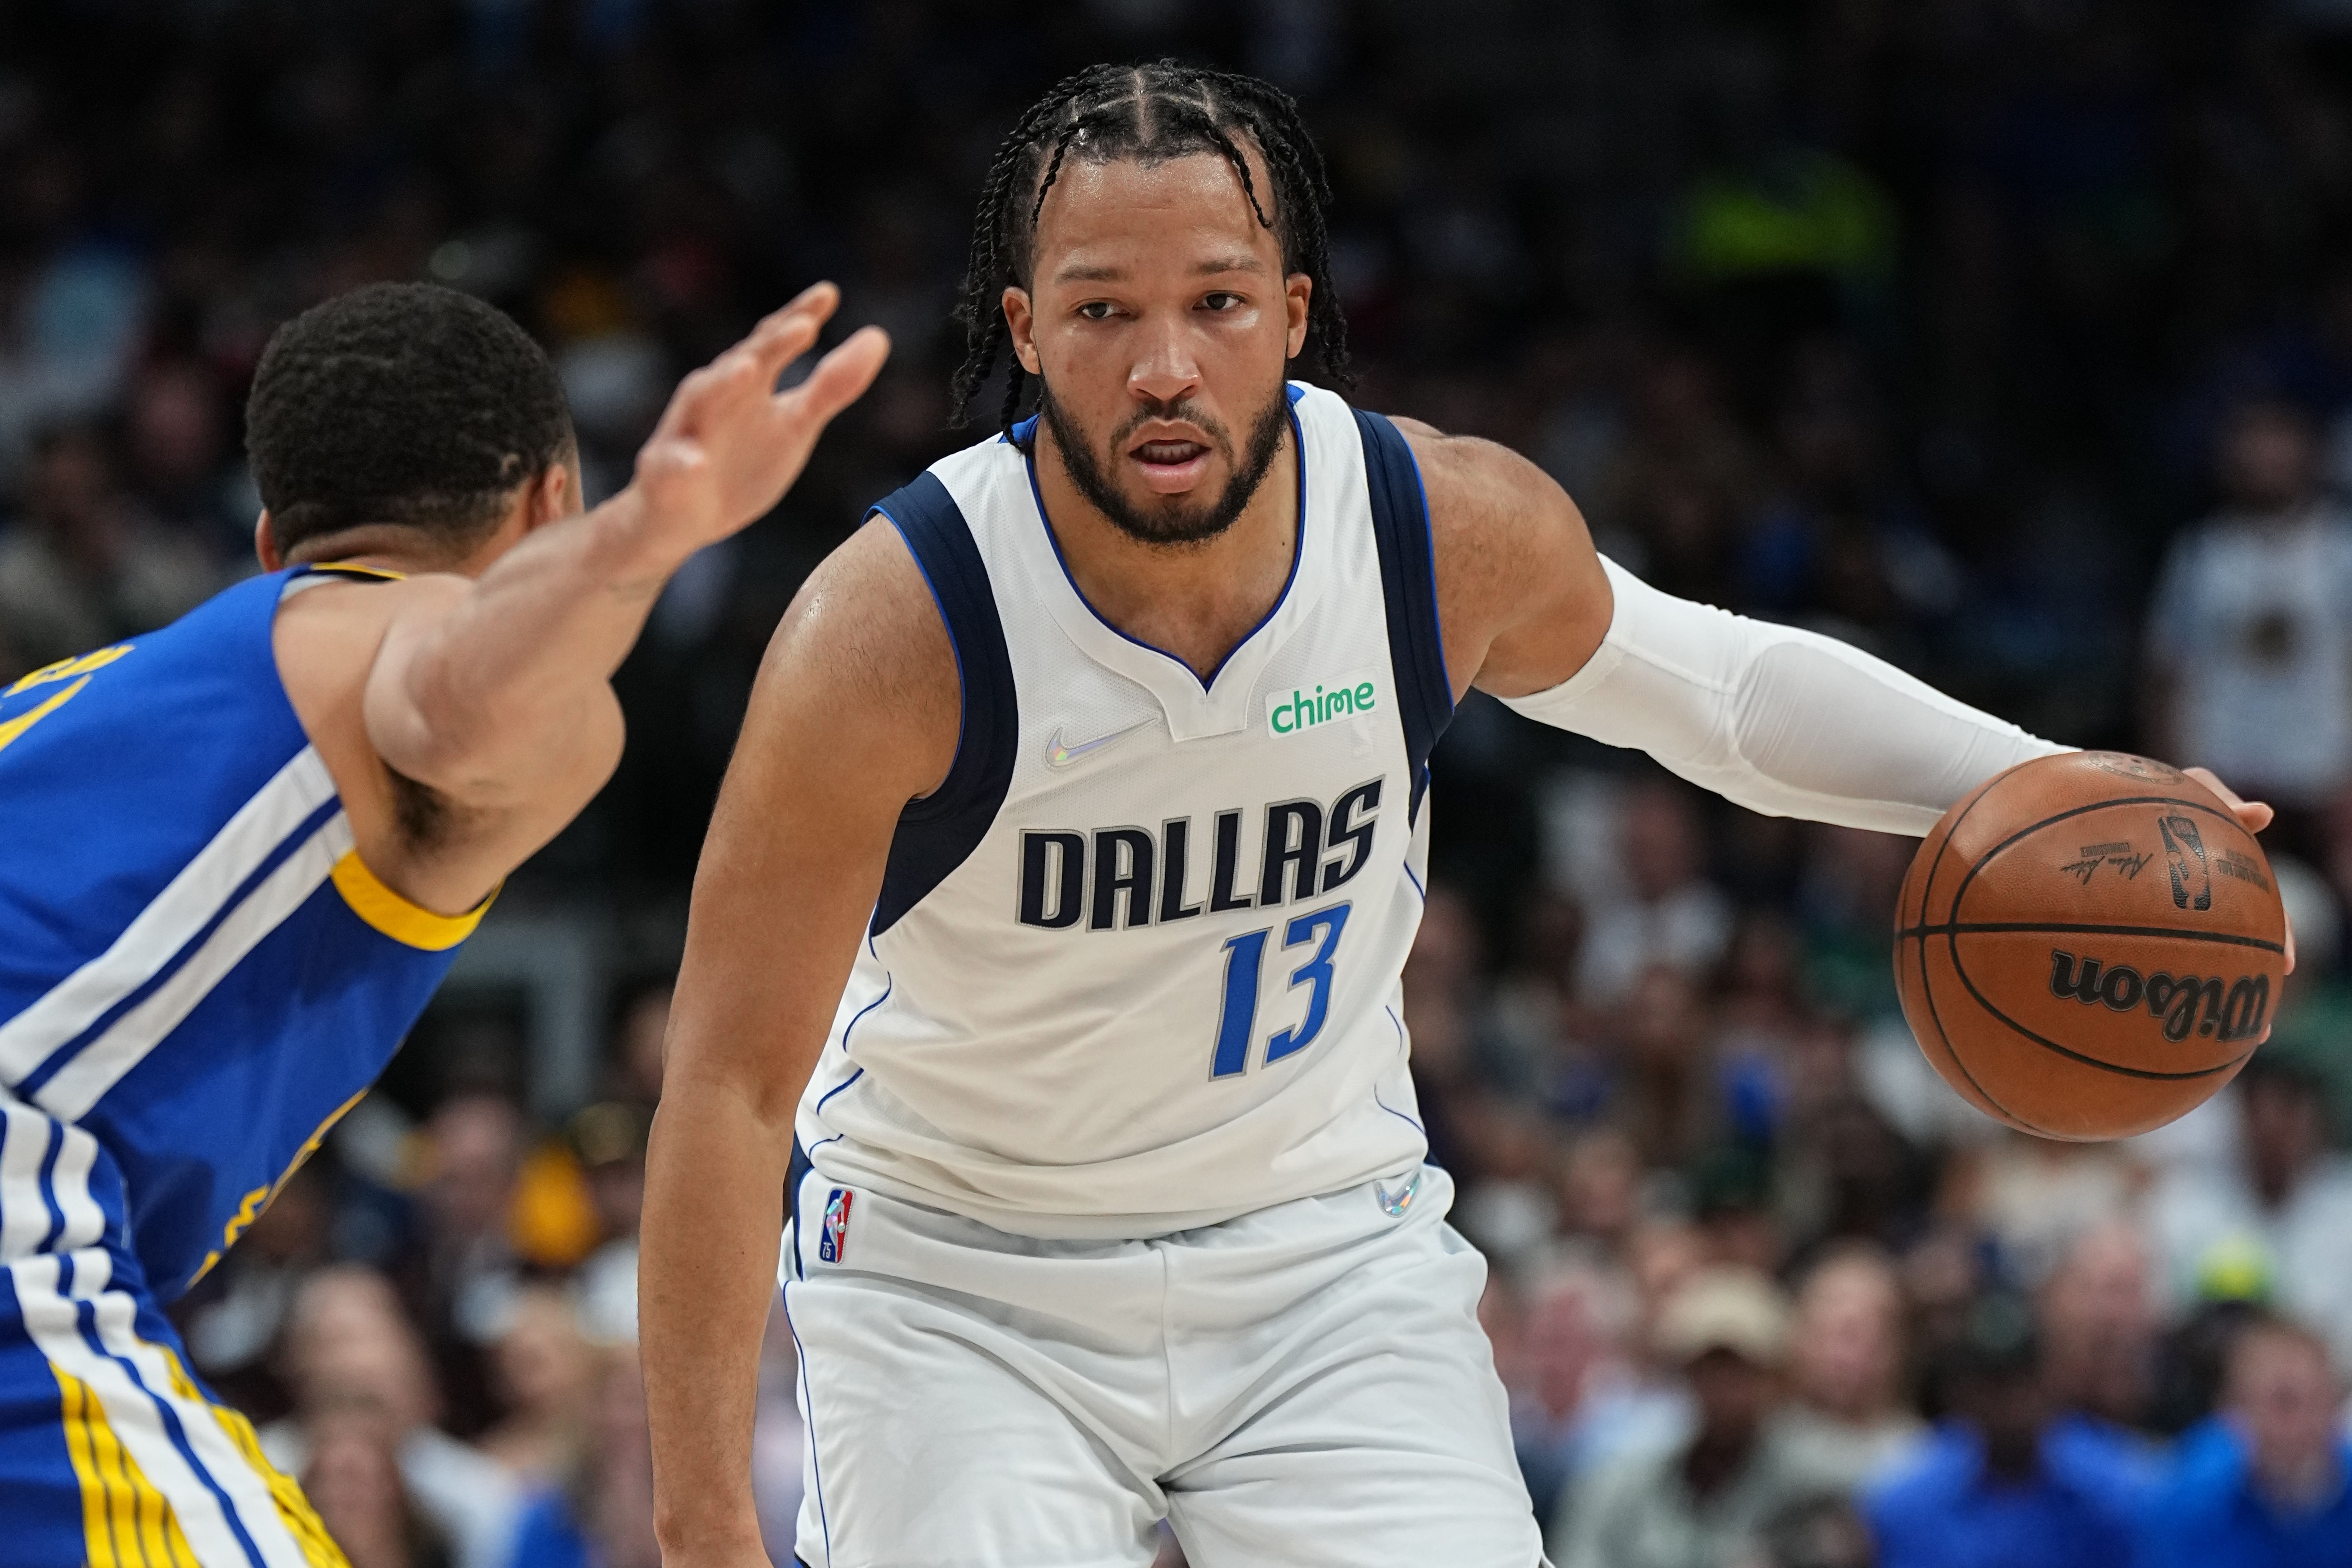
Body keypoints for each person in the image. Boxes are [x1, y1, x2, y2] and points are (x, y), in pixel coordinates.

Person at [636, 60, 2273, 1568]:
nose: (1163, 363)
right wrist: (703, 1511)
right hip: (957, 1278)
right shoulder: (897, 628)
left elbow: (1721, 692)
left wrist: (2056, 781)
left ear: (1290, 315)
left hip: (1320, 1259)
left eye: (1214, 302)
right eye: (1101, 309)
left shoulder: (1434, 527)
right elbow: (724, 1084)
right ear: (1024, 329)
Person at [0, 278, 887, 1563]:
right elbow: (450, 697)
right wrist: (648, 535)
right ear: (551, 503)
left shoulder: (92, 697)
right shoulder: (384, 633)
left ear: (267, 541)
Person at [1552, 1267, 1851, 1568]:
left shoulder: (1816, 1478)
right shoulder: (1624, 1480)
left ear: (1774, 1379)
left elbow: (1842, 1542)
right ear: (1686, 1376)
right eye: (1709, 1370)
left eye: (1740, 1372)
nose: (1724, 1389)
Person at [1865, 1297, 2137, 1568]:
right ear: (1959, 1394)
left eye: (2023, 1384)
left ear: (2053, 1384)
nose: (2010, 1406)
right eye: (1992, 1387)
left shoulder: (2113, 1495)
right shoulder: (1908, 1504)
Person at [2140, 1315, 2352, 1567]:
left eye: (2319, 1398)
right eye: (2283, 1402)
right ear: (2234, 1411)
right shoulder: (2190, 1507)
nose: (2305, 1420)